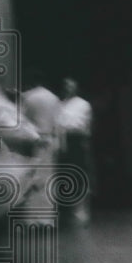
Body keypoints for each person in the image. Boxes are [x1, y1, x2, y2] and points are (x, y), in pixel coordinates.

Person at [57, 76, 94, 224]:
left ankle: (81, 210)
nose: (68, 88)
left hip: (77, 141)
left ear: (76, 87)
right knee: (65, 175)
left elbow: (83, 125)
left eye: (71, 85)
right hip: (62, 141)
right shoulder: (60, 104)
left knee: (80, 175)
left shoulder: (83, 104)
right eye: (66, 85)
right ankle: (68, 211)